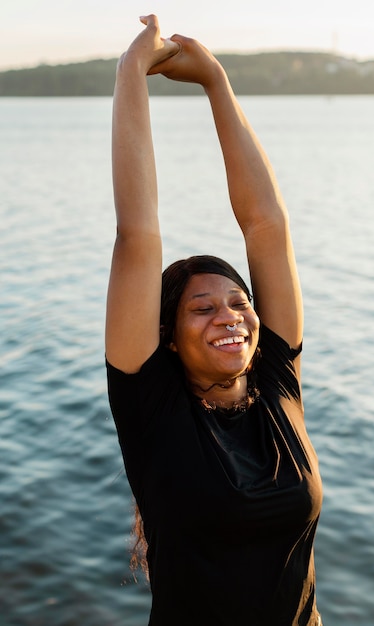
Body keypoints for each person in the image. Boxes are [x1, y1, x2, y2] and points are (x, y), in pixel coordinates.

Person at [106, 14, 323, 626]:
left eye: (238, 301)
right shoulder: (150, 407)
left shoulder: (278, 383)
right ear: (166, 341)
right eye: (201, 309)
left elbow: (267, 228)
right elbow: (137, 234)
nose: (229, 316)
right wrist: (132, 71)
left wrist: (217, 83)